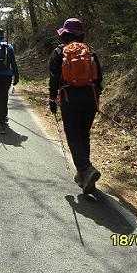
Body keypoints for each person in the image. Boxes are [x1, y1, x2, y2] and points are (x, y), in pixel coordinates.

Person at [48, 18, 103, 194]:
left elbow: (54, 79)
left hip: (69, 97)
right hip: (90, 97)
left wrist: (52, 99)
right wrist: (96, 97)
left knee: (73, 136)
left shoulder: (59, 52)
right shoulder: (91, 52)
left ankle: (86, 169)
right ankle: (84, 175)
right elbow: (99, 79)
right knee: (83, 135)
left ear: (65, 34)